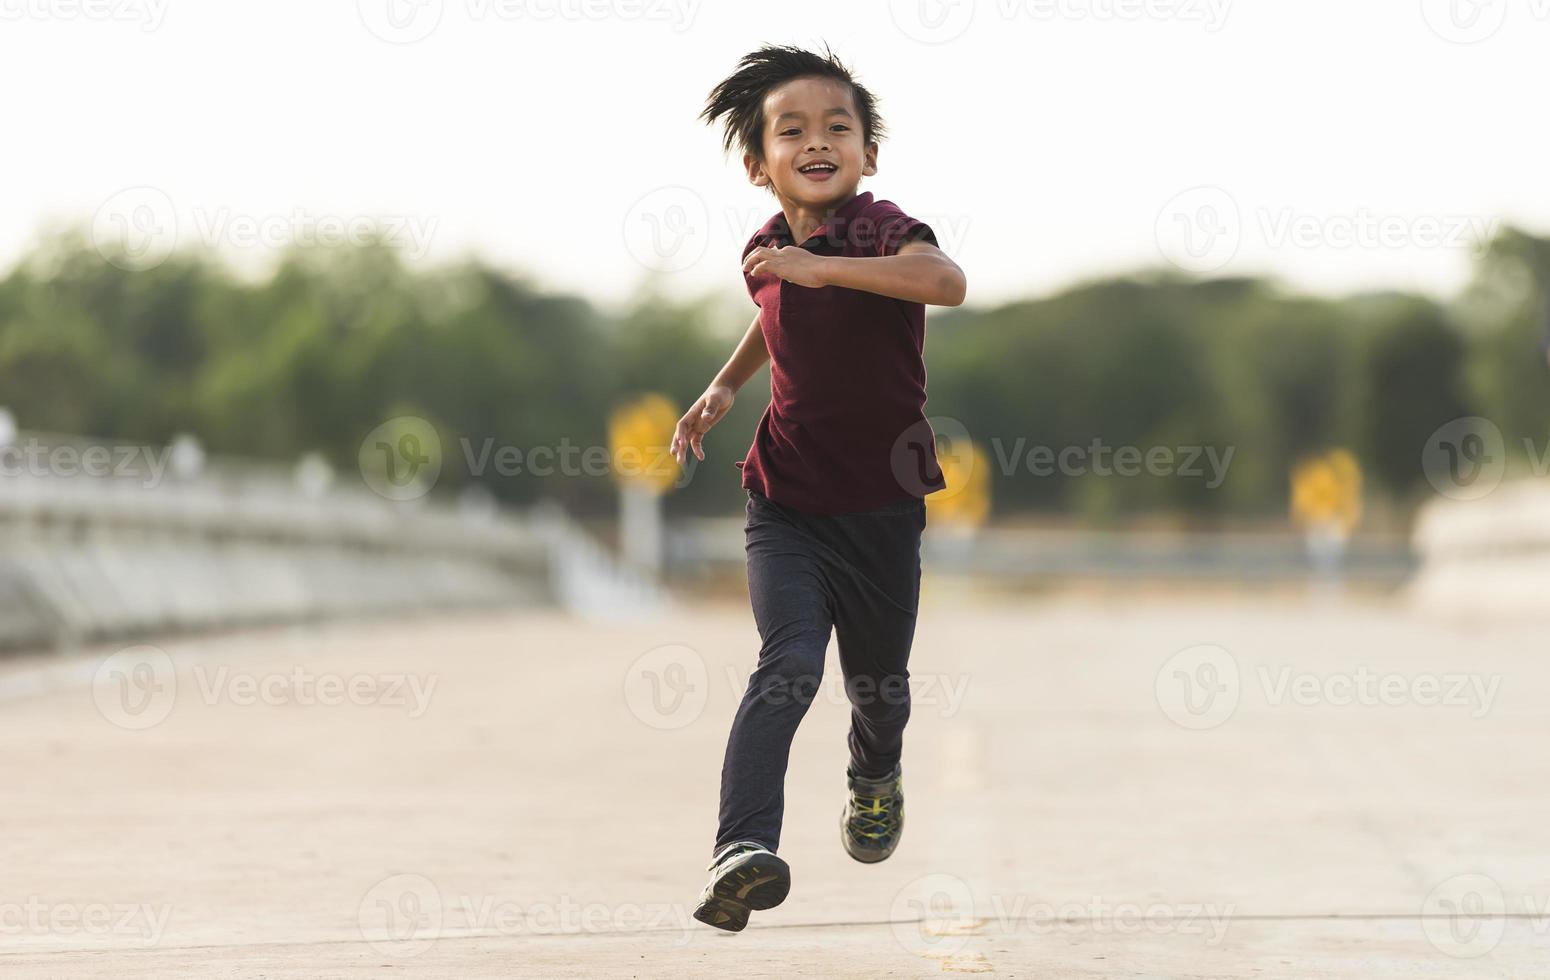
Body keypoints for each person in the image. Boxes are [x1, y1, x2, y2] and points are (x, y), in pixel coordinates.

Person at [670, 42, 967, 933]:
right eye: (791, 130)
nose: (818, 141)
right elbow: (774, 314)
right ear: (760, 166)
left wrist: (826, 267)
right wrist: (726, 383)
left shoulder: (881, 229)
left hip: (881, 504)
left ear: (867, 154)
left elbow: (944, 282)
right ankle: (741, 849)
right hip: (786, 500)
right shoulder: (765, 249)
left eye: (839, 126)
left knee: (879, 690)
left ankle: (874, 775)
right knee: (788, 664)